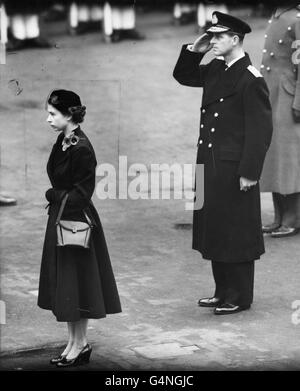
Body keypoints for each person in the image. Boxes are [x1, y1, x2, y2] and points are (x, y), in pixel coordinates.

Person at [173, 11, 273, 315]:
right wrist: (195, 49)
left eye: (218, 36)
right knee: (216, 228)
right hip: (211, 163)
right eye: (212, 36)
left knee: (237, 231)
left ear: (235, 39)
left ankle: (240, 296)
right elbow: (184, 75)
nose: (213, 41)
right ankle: (221, 291)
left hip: (234, 167)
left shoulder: (250, 78)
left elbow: (260, 131)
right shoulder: (217, 68)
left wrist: (250, 172)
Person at [37, 89, 122, 367]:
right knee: (67, 285)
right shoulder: (63, 140)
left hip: (75, 222)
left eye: (53, 114)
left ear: (69, 115)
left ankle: (81, 343)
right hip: (62, 219)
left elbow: (82, 194)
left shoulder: (82, 148)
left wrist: (53, 196)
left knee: (77, 284)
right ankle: (73, 342)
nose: (48, 119)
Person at [260, 2, 300, 238]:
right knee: (273, 157)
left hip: (287, 95)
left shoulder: (296, 18)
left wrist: (298, 102)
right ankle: (278, 216)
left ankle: (292, 218)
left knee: (289, 159)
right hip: (270, 92)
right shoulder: (278, 14)